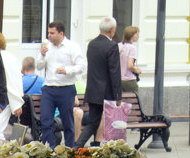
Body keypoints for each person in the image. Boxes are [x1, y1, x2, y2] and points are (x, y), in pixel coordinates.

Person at [36, 20, 85, 147]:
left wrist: (67, 70)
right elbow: (39, 66)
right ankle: (49, 148)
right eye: (48, 33)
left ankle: (69, 148)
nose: (49, 36)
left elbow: (81, 66)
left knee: (68, 121)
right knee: (46, 120)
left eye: (52, 33)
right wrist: (41, 55)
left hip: (66, 88)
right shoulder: (48, 47)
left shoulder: (72, 47)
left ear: (61, 34)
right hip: (49, 88)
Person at [75, 17, 122, 148]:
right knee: (112, 123)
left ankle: (78, 146)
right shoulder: (112, 46)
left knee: (93, 123)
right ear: (112, 31)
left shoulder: (92, 44)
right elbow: (115, 72)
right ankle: (112, 150)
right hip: (107, 93)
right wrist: (118, 95)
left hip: (93, 90)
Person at [0, 29, 24, 139]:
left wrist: (16, 103)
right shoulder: (7, 57)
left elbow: (13, 80)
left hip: (3, 101)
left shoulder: (5, 57)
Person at [118, 26, 141, 94]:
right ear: (131, 35)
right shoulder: (132, 48)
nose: (138, 36)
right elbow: (130, 65)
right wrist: (137, 70)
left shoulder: (119, 46)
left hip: (118, 79)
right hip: (129, 79)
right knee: (133, 101)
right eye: (136, 34)